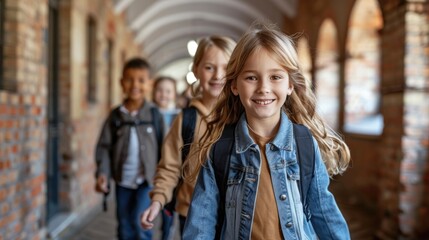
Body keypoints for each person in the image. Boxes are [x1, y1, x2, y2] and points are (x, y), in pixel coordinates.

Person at [182, 23, 351, 239]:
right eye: (251, 77)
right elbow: (201, 223)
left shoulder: (304, 143)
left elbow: (324, 212)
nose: (263, 87)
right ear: (234, 85)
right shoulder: (220, 148)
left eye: (275, 77)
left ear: (290, 84)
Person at [140, 35, 237, 235]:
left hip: (235, 215)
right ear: (196, 71)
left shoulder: (243, 117)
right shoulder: (186, 120)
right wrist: (158, 201)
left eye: (226, 67)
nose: (218, 75)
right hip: (192, 213)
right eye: (209, 67)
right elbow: (169, 167)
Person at [95, 57, 163, 240]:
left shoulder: (154, 115)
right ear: (121, 83)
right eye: (129, 79)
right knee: (124, 226)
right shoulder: (116, 116)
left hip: (146, 182)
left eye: (141, 80)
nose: (135, 85)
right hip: (123, 182)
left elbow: (164, 148)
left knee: (141, 224)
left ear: (150, 84)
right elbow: (104, 147)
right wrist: (103, 173)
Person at [152, 76, 181, 240]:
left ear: (174, 94)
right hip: (152, 169)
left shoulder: (180, 115)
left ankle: (166, 234)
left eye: (168, 91)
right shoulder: (149, 114)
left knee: (167, 211)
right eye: (160, 90)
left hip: (171, 171)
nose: (164, 94)